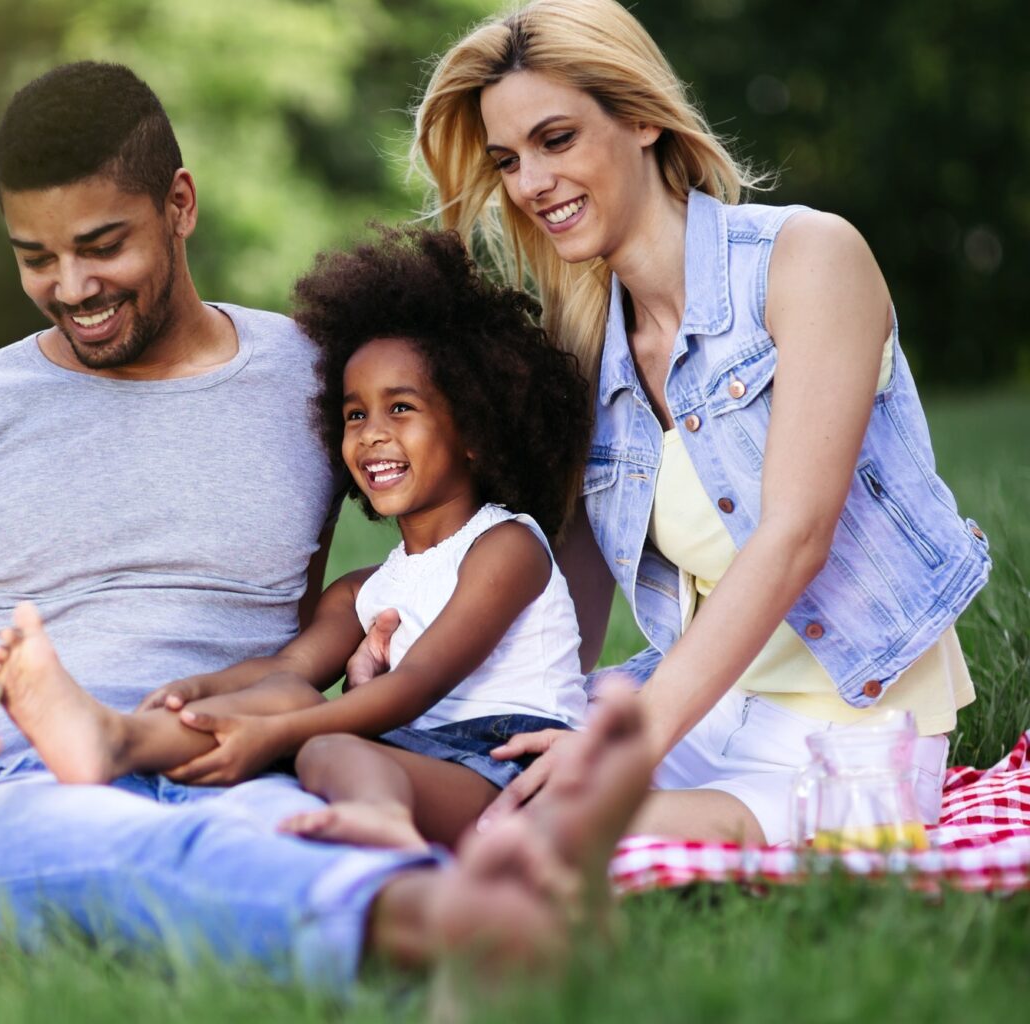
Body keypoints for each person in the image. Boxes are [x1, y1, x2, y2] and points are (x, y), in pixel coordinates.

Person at [0, 60, 654, 985]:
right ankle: (455, 920)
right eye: (36, 258)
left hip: (247, 765)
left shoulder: (319, 379)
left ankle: (446, 938)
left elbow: (463, 502)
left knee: (284, 842)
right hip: (25, 789)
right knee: (130, 852)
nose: (72, 287)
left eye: (104, 245)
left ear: (179, 203)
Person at [410, 0, 992, 846]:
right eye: (508, 160)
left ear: (641, 117)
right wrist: (480, 703)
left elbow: (796, 535)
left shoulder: (808, 259)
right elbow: (568, 585)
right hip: (697, 709)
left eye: (557, 139)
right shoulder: (589, 343)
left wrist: (624, 747)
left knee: (536, 829)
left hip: (854, 738)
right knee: (434, 772)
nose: (530, 183)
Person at [0, 225, 593, 853]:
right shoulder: (366, 589)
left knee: (315, 739)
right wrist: (203, 690)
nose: (372, 434)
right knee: (286, 701)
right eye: (355, 414)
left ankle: (381, 825)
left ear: (474, 429)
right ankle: (115, 739)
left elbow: (417, 685)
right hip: (411, 757)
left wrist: (281, 734)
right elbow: (287, 669)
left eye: (401, 408)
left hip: (510, 769)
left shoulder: (506, 546)